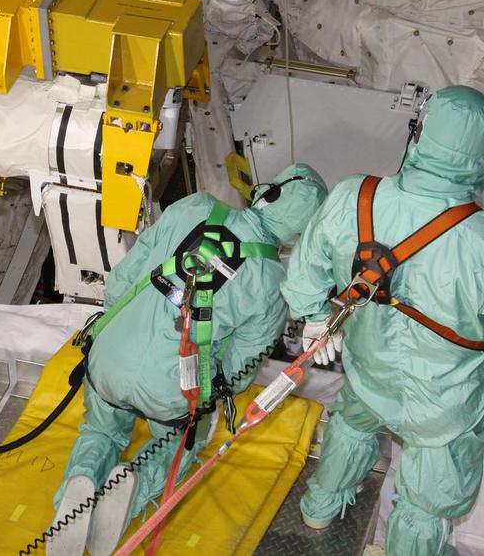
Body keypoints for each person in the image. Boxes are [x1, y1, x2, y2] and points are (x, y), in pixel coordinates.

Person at [281, 85, 484, 556]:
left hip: (368, 369)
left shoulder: (353, 196)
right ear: (480, 154)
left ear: (420, 132)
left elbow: (305, 270)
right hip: (445, 403)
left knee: (351, 426)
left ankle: (319, 509)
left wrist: (311, 318)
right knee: (428, 502)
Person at [50, 164, 328, 556]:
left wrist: (118, 328)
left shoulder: (194, 205)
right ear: (300, 234)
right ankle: (135, 487)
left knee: (101, 431)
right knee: (183, 440)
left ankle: (78, 482)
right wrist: (211, 394)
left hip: (109, 358)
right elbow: (238, 372)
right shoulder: (270, 285)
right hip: (170, 390)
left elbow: (124, 276)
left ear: (268, 193)